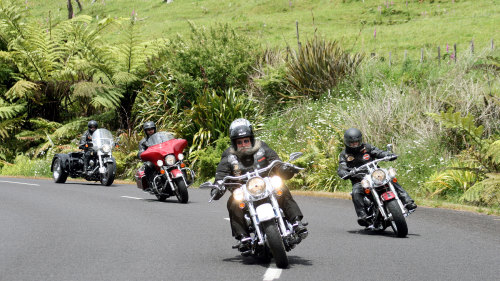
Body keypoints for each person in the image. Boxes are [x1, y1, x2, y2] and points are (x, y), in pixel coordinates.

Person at [211, 118, 308, 252]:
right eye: (239, 142)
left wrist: (284, 169)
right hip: (244, 191)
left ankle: (296, 222)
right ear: (234, 143)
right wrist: (218, 187)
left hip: (266, 186)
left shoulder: (262, 148)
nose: (243, 144)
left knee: (281, 187)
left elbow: (276, 162)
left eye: (246, 140)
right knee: (233, 202)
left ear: (251, 139)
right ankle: (243, 237)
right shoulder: (229, 156)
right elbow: (221, 175)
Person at [337, 128, 417, 226]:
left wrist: (388, 155)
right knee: (355, 192)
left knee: (390, 179)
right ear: (347, 143)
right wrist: (345, 172)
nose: (355, 145)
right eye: (352, 143)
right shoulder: (344, 155)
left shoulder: (367, 147)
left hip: (374, 175)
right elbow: (341, 167)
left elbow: (378, 152)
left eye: (357, 142)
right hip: (360, 179)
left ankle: (408, 201)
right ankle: (362, 215)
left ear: (360, 141)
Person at [137, 121, 157, 190]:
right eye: (148, 130)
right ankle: (152, 184)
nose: (150, 131)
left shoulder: (160, 138)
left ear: (154, 129)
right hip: (151, 160)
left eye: (152, 129)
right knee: (148, 165)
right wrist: (141, 154)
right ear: (146, 131)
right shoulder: (143, 142)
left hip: (161, 158)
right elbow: (141, 151)